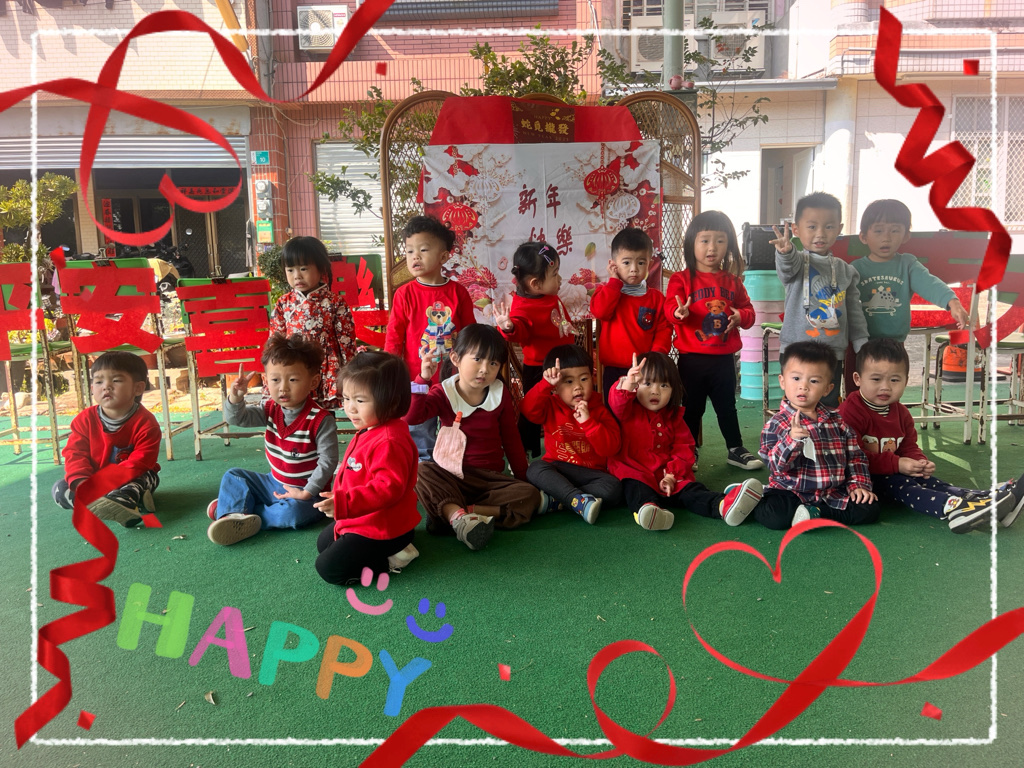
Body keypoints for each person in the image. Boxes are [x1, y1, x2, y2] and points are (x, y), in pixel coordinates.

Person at [839, 338, 1024, 533]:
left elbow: (908, 446)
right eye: (876, 379)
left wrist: (919, 461)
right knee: (903, 484)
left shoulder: (901, 413)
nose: (885, 387)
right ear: (857, 379)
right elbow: (852, 458)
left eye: (894, 380)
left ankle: (985, 500)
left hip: (893, 470)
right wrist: (898, 464)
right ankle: (952, 508)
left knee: (931, 481)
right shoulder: (850, 412)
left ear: (906, 381)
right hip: (861, 481)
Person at [406, 324, 539, 551]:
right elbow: (413, 417)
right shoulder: (443, 391)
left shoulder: (500, 393)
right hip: (451, 476)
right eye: (477, 359)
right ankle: (459, 517)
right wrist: (422, 380)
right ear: (455, 358)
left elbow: (512, 440)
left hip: (490, 481)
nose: (484, 369)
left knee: (530, 495)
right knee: (420, 471)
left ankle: (456, 513)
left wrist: (522, 478)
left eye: (493, 363)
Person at [205, 334, 338, 545]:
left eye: (293, 380)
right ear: (266, 381)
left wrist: (307, 492)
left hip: (306, 492)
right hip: (272, 483)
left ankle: (234, 510)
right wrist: (237, 396)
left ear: (313, 382)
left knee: (293, 514)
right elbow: (238, 418)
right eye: (275, 380)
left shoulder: (321, 420)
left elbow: (328, 461)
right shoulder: (270, 408)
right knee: (234, 475)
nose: (283, 388)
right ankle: (234, 511)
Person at [607, 352, 763, 532]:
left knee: (692, 491)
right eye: (647, 384)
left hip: (668, 475)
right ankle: (649, 511)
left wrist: (672, 475)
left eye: (664, 385)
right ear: (636, 387)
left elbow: (684, 448)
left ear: (674, 389)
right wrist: (628, 383)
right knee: (635, 489)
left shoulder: (674, 417)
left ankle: (722, 505)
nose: (655, 391)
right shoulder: (627, 410)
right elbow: (617, 403)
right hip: (636, 471)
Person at [313, 351, 421, 585]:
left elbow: (387, 488)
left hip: (386, 528)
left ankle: (394, 557)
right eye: (346, 398)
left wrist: (345, 502)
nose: (350, 408)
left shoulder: (390, 441)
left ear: (392, 402)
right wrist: (339, 496)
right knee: (323, 543)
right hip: (367, 518)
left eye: (360, 401)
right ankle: (393, 547)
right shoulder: (372, 427)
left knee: (328, 569)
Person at [666, 210, 762, 471]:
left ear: (729, 245)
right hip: (691, 360)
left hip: (724, 359)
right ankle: (687, 451)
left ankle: (735, 449)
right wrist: (678, 312)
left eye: (720, 240)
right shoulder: (680, 279)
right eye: (705, 240)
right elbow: (669, 308)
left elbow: (749, 312)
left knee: (727, 406)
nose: (712, 247)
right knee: (691, 408)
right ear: (691, 243)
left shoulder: (733, 281)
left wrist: (740, 316)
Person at [845, 198, 971, 393]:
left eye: (894, 230)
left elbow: (930, 283)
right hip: (860, 344)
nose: (886, 238)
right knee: (856, 393)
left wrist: (952, 302)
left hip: (894, 344)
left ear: (905, 236)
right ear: (863, 236)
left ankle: (889, 414)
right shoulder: (855, 268)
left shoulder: (907, 265)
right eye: (878, 231)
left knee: (890, 391)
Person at [750, 341, 879, 529]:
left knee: (869, 508)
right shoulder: (777, 423)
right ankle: (749, 500)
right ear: (782, 381)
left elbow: (856, 458)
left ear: (827, 388)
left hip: (832, 493)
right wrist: (791, 440)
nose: (803, 386)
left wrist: (858, 485)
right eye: (796, 378)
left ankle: (815, 513)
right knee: (776, 516)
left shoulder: (838, 422)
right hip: (791, 492)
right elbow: (775, 466)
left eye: (814, 381)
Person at [384, 215, 475, 461]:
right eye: (409, 251)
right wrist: (393, 374)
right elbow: (394, 338)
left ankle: (452, 467)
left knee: (455, 427)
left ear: (443, 257)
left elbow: (469, 336)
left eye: (423, 250)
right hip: (417, 380)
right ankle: (423, 469)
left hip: (453, 379)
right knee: (419, 432)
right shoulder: (404, 294)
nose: (415, 256)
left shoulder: (458, 292)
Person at [771, 192, 869, 408]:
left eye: (829, 226)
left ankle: (825, 432)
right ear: (796, 229)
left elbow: (854, 310)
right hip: (796, 350)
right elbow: (787, 269)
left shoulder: (846, 270)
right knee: (797, 403)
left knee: (828, 403)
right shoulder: (797, 262)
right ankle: (793, 432)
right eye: (812, 226)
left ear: (839, 229)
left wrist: (861, 340)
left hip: (832, 350)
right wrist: (786, 252)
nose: (821, 234)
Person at [52, 350, 160, 527]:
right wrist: (83, 482)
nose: (106, 387)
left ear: (138, 388)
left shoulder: (146, 423)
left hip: (130, 477)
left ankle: (125, 501)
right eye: (99, 381)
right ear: (92, 388)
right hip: (93, 480)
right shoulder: (84, 420)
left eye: (116, 380)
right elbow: (75, 454)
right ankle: (116, 505)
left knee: (143, 478)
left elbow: (141, 461)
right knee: (60, 488)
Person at [521, 344, 622, 525]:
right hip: (557, 468)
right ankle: (578, 500)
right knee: (535, 469)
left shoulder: (600, 408)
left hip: (591, 474)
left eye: (584, 379)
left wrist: (589, 423)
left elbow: (611, 448)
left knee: (613, 488)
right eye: (568, 382)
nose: (578, 387)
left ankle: (558, 499)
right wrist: (544, 385)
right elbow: (528, 410)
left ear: (593, 378)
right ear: (555, 386)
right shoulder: (550, 404)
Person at [493, 241, 575, 457]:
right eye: (555, 274)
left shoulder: (545, 293)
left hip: (564, 361)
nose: (560, 279)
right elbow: (519, 329)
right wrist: (509, 327)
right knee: (531, 411)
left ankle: (566, 443)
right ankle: (524, 450)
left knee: (564, 405)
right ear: (536, 284)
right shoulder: (523, 306)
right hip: (539, 368)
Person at [268, 235, 356, 409]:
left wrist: (351, 374)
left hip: (326, 367)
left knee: (325, 412)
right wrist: (273, 372)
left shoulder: (335, 302)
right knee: (295, 411)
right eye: (290, 270)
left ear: (321, 268)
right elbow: (275, 341)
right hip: (293, 367)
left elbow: (346, 341)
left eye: (303, 268)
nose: (297, 276)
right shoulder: (283, 303)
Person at [590, 227, 672, 405]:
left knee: (643, 413)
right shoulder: (606, 292)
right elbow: (600, 312)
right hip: (614, 370)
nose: (634, 269)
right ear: (613, 265)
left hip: (645, 371)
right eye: (626, 262)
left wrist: (655, 358)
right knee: (615, 413)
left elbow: (664, 330)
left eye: (641, 263)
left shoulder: (657, 298)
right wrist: (614, 282)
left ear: (650, 264)